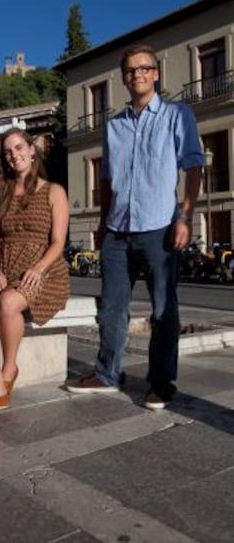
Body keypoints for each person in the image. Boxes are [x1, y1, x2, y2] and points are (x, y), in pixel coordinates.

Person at [66, 44, 204, 410]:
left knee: (162, 310)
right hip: (116, 230)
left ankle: (161, 383)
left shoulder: (178, 114)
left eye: (144, 68)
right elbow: (108, 180)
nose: (137, 74)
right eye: (130, 70)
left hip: (160, 227)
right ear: (124, 78)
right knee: (111, 308)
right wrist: (100, 223)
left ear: (155, 73)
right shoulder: (114, 127)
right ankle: (108, 373)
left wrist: (185, 216)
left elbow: (193, 167)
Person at [0, 128, 70, 417]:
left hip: (42, 266)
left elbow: (58, 242)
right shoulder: (0, 192)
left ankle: (8, 372)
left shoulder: (54, 191)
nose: (15, 155)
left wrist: (38, 267)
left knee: (9, 302)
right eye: (8, 151)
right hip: (3, 262)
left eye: (19, 147)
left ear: (32, 150)